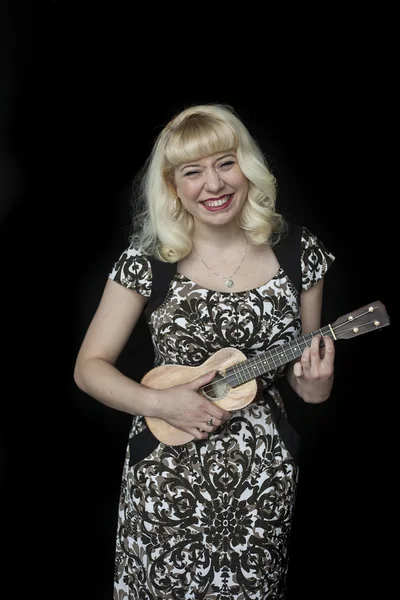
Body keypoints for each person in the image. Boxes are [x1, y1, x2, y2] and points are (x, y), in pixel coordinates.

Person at [74, 103, 336, 599]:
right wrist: (159, 402)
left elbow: (306, 376)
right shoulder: (149, 259)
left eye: (225, 163)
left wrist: (316, 388)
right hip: (165, 471)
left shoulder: (297, 252)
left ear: (248, 167)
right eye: (193, 172)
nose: (213, 185)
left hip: (260, 475)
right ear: (174, 186)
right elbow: (88, 368)